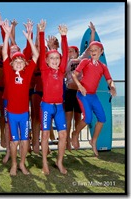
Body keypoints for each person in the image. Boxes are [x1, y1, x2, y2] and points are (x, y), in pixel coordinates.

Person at [1, 19, 39, 176]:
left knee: (24, 140)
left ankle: (23, 164)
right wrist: (7, 34)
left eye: (21, 61)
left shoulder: (27, 73)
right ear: (11, 63)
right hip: (12, 113)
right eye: (15, 60)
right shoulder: (9, 73)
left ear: (25, 63)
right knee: (14, 141)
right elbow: (4, 53)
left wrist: (29, 38)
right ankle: (14, 164)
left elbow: (35, 55)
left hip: (24, 113)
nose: (18, 62)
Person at [71, 41, 116, 157]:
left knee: (102, 119)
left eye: (95, 50)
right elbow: (74, 75)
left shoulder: (103, 66)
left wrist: (112, 87)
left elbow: (109, 79)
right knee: (88, 119)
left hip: (93, 96)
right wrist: (80, 86)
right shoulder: (85, 61)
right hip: (83, 95)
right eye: (91, 50)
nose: (93, 52)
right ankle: (75, 134)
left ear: (101, 52)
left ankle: (93, 141)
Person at [38, 19, 68, 175]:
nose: (55, 60)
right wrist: (41, 32)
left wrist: (63, 36)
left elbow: (66, 52)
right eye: (52, 58)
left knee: (63, 134)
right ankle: (44, 163)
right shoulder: (44, 69)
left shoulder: (62, 70)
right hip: (46, 107)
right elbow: (42, 53)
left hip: (59, 107)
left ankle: (59, 161)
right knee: (44, 134)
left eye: (57, 58)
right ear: (47, 61)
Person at [64, 22, 96, 152]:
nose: (70, 52)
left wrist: (92, 32)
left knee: (78, 117)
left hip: (80, 93)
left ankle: (74, 137)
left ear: (77, 52)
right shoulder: (66, 62)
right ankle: (66, 142)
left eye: (72, 51)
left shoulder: (81, 59)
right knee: (68, 118)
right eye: (69, 51)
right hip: (69, 91)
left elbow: (90, 48)